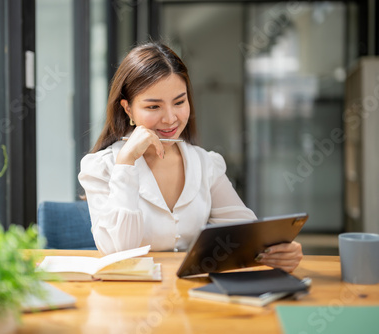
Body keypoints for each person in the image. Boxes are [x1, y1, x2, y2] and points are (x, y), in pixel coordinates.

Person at [78, 42, 302, 272]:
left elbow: (243, 234)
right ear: (127, 109)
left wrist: (276, 251)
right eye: (153, 106)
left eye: (179, 102)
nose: (170, 118)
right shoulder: (100, 167)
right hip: (131, 298)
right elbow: (119, 254)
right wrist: (126, 163)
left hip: (190, 294)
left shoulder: (206, 164)